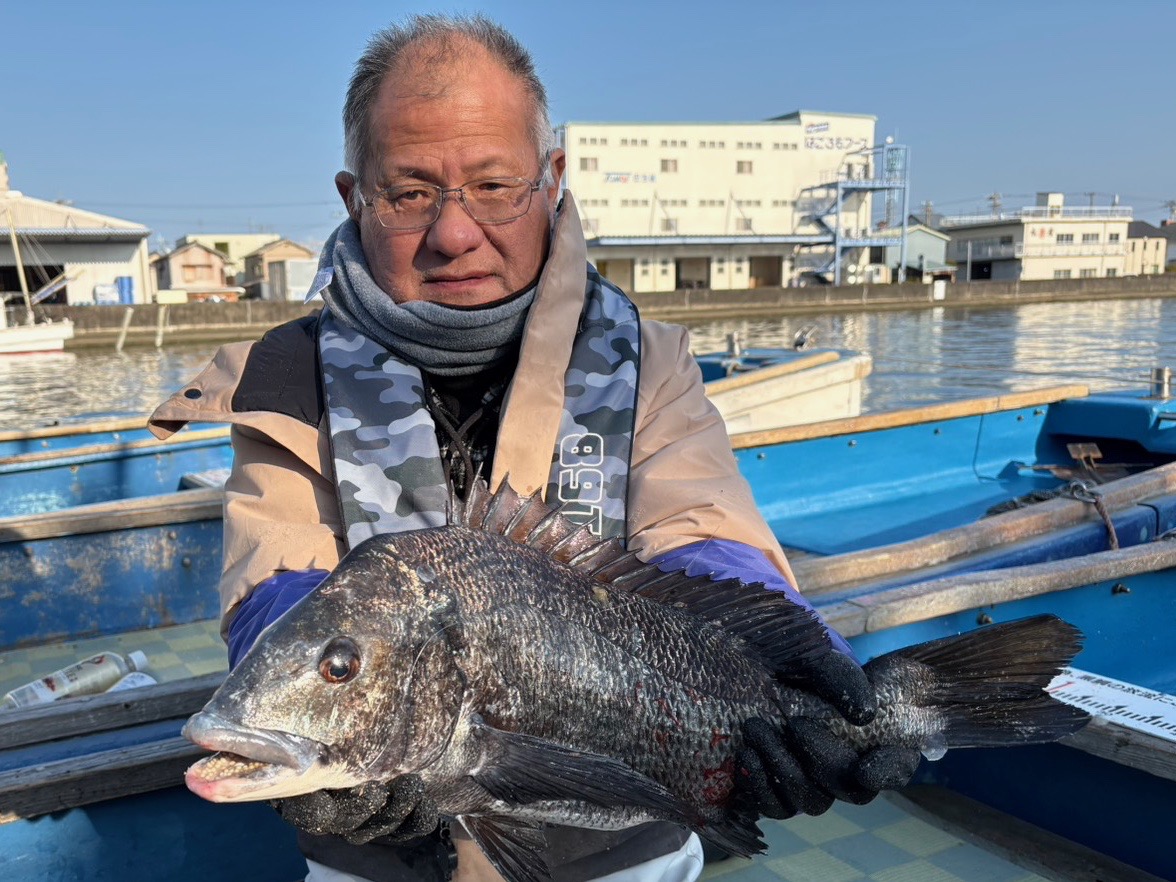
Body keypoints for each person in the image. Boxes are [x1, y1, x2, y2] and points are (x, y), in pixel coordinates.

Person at [149, 14, 920, 882]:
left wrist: (792, 670)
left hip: (620, 849)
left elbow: (701, 529)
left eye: (493, 185)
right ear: (353, 197)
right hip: (378, 861)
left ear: (551, 180)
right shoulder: (287, 376)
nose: (453, 232)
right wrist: (327, 700)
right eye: (409, 193)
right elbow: (276, 573)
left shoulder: (646, 360)